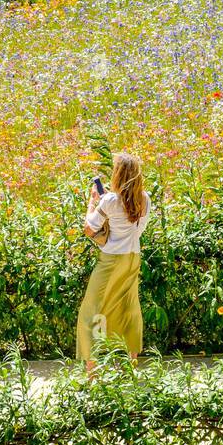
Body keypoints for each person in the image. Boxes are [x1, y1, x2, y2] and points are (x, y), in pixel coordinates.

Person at [76, 151, 151, 374]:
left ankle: (93, 369)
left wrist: (92, 202)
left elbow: (89, 229)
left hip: (110, 260)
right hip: (132, 258)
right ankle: (132, 364)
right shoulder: (145, 199)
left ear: (118, 174)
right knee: (129, 307)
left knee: (94, 309)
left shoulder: (109, 200)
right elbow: (137, 229)